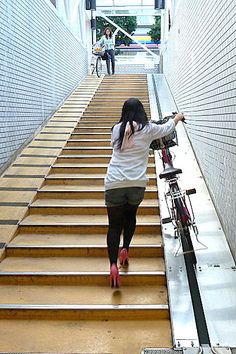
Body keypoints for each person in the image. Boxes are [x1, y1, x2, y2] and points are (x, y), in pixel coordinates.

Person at [104, 98, 185, 288]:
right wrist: (178, 118)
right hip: (136, 184)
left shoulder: (116, 129)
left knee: (114, 226)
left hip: (114, 182)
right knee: (130, 217)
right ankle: (125, 249)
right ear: (141, 112)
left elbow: (116, 146)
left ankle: (113, 266)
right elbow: (167, 129)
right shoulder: (148, 129)